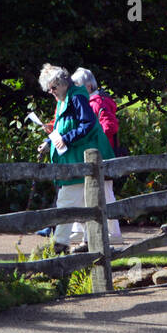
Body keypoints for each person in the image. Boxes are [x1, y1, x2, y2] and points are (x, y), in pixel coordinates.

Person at [36, 64, 115, 254]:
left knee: (69, 200)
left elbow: (87, 124)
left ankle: (60, 244)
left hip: (82, 159)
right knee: (86, 202)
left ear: (62, 83)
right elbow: (61, 126)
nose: (51, 92)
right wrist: (49, 141)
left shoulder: (77, 96)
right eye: (49, 89)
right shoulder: (64, 99)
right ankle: (89, 242)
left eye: (53, 87)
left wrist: (65, 139)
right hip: (73, 159)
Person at [70, 68, 122, 242]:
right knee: (85, 191)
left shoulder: (98, 102)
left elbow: (110, 126)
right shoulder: (89, 101)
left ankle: (114, 233)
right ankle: (80, 230)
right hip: (93, 152)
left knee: (105, 191)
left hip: (102, 153)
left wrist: (94, 136)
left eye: (79, 85)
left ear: (89, 85)